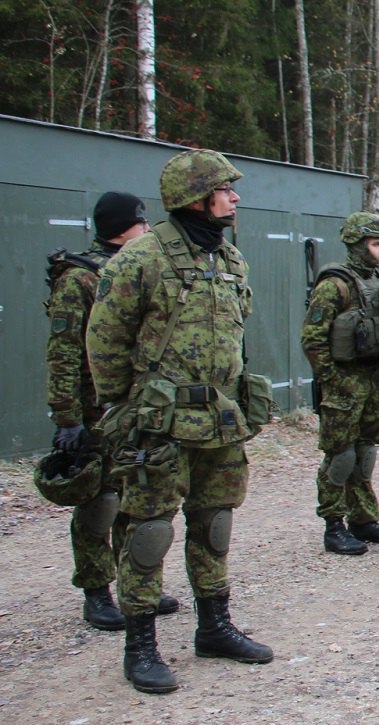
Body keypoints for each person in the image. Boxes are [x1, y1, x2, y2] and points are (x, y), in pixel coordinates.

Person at [87, 149, 274, 693]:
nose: (234, 197)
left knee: (214, 522)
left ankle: (214, 627)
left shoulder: (230, 260)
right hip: (159, 423)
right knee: (148, 530)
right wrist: (126, 408)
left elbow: (237, 336)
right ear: (197, 198)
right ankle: (140, 644)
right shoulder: (139, 260)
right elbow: (104, 342)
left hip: (220, 419)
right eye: (225, 189)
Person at [44, 191, 179, 631]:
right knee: (99, 502)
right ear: (125, 228)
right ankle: (96, 589)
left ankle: (134, 586)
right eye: (141, 223)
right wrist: (67, 418)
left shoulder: (142, 268)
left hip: (137, 406)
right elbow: (62, 354)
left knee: (136, 498)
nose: (147, 229)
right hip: (92, 412)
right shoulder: (78, 279)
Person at [301, 212, 379, 555]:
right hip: (344, 383)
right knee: (340, 455)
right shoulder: (334, 285)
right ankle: (334, 524)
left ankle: (363, 519)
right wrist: (332, 380)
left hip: (374, 380)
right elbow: (313, 339)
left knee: (364, 452)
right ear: (357, 245)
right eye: (376, 244)